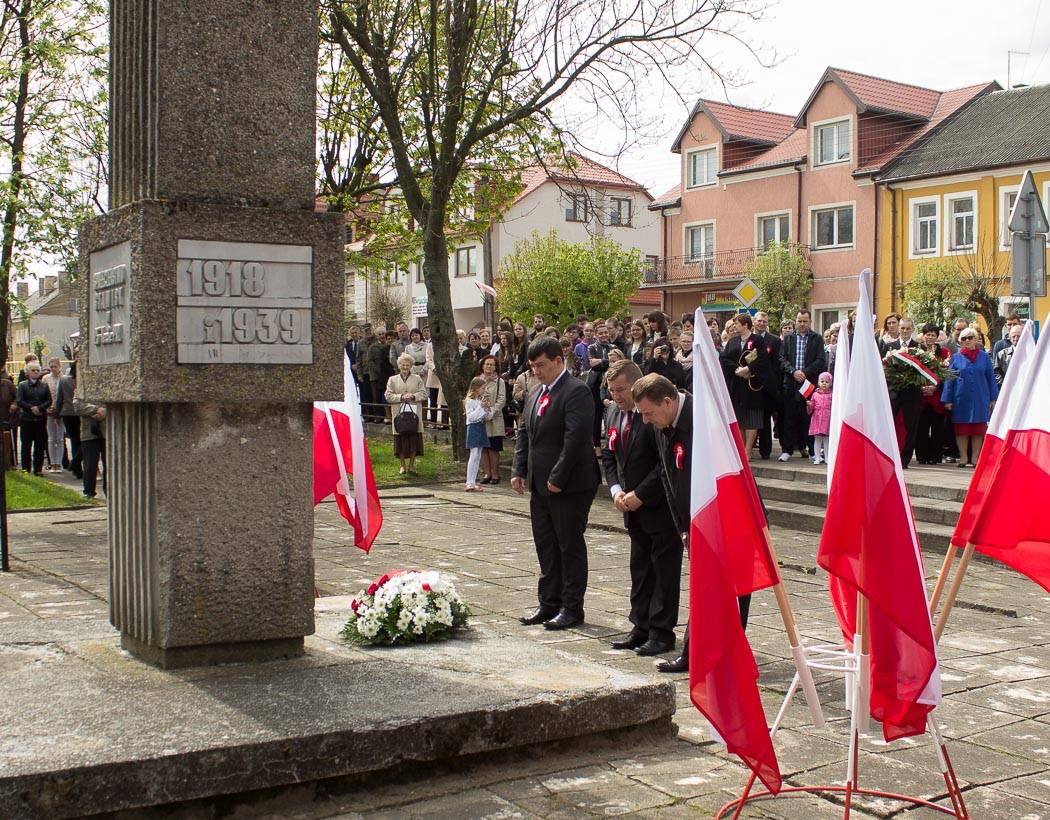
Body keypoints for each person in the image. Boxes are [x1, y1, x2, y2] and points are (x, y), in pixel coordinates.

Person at [632, 374, 751, 674]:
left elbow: (728, 473)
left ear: (668, 402)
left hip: (730, 517)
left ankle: (725, 654)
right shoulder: (663, 425)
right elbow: (668, 479)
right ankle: (695, 653)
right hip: (695, 521)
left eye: (648, 413)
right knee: (703, 589)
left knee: (734, 591)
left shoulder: (704, 419)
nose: (645, 421)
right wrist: (682, 526)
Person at [511, 336, 600, 631]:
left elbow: (575, 438)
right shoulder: (536, 392)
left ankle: (572, 607)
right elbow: (524, 432)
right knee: (545, 545)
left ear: (558, 361)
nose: (536, 371)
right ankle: (548, 602)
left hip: (570, 484)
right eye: (532, 366)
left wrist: (558, 477)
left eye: (541, 365)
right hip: (540, 483)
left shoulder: (577, 391)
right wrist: (519, 468)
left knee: (568, 545)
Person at [602, 360, 682, 658]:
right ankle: (641, 626)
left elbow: (665, 462)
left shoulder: (652, 416)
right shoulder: (612, 411)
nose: (617, 395)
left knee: (663, 572)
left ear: (635, 385)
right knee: (640, 569)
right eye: (612, 390)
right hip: (629, 505)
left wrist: (641, 494)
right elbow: (610, 454)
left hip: (659, 505)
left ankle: (662, 633)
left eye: (621, 389)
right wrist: (616, 489)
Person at [720, 313, 777, 457]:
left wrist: (749, 369)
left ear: (745, 325)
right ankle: (741, 448)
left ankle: (748, 448)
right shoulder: (733, 341)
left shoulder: (756, 340)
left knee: (752, 417)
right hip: (737, 384)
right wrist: (737, 369)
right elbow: (724, 358)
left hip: (752, 385)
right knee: (739, 417)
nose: (734, 327)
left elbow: (763, 359)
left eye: (737, 324)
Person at [942, 328, 998, 469]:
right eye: (964, 338)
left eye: (970, 337)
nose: (967, 340)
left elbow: (991, 378)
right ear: (960, 341)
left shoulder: (984, 356)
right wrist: (947, 399)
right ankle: (963, 457)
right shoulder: (956, 357)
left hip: (980, 396)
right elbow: (950, 379)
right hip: (961, 397)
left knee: (978, 428)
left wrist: (993, 398)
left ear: (976, 339)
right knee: (962, 428)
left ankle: (975, 458)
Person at [777, 310, 826, 461]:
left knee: (808, 416)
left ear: (810, 321)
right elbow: (781, 358)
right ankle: (787, 450)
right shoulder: (789, 338)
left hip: (808, 383)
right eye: (799, 321)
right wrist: (793, 371)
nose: (802, 324)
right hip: (791, 382)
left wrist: (804, 372)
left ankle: (812, 451)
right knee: (788, 416)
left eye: (805, 321)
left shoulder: (816, 338)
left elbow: (820, 360)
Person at [914, 324, 953, 465]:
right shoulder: (916, 352)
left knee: (938, 427)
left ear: (937, 337)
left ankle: (935, 456)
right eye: (927, 334)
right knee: (922, 427)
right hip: (922, 395)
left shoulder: (944, 353)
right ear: (923, 336)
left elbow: (947, 373)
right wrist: (922, 387)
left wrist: (935, 386)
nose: (930, 337)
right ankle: (922, 456)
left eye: (933, 335)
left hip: (937, 394)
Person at [385, 353, 427, 474]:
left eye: (407, 365)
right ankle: (402, 465)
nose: (405, 367)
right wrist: (401, 397)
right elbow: (388, 395)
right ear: (399, 365)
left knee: (413, 439)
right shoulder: (392, 379)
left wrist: (413, 396)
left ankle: (412, 465)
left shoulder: (417, 379)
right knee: (401, 439)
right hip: (399, 413)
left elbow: (424, 393)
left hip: (414, 413)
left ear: (411, 366)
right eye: (403, 365)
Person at [754, 311, 781, 460]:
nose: (762, 324)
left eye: (764, 321)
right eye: (759, 321)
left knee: (765, 418)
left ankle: (765, 450)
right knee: (751, 418)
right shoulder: (748, 339)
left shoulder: (774, 341)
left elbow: (776, 365)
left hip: (767, 386)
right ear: (754, 322)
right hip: (750, 384)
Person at [16, 362, 50, 475]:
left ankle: (38, 469)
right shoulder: (22, 385)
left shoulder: (44, 385)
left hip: (40, 419)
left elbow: (49, 400)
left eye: (37, 370)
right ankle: (26, 468)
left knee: (40, 445)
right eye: (33, 370)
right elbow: (20, 400)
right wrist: (31, 408)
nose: (36, 372)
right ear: (27, 372)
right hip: (27, 419)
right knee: (26, 444)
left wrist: (40, 408)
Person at [477, 355, 507, 484]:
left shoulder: (499, 381)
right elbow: (472, 396)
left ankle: (495, 474)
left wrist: (492, 411)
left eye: (491, 365)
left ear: (495, 367)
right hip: (480, 418)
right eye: (486, 364)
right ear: (482, 365)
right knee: (483, 448)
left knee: (493, 448)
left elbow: (502, 399)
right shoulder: (477, 380)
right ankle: (486, 473)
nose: (488, 367)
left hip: (495, 418)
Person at [464, 376, 491, 492]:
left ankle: (473, 482)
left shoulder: (480, 401)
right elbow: (471, 417)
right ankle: (468, 482)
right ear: (476, 388)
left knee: (479, 455)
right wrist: (480, 407)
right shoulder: (469, 401)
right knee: (474, 454)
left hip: (481, 427)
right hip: (473, 427)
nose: (484, 390)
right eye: (482, 388)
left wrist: (488, 409)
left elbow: (488, 417)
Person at [75, 397, 106, 498]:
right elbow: (77, 405)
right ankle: (88, 491)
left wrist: (104, 412)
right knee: (90, 464)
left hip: (108, 432)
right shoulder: (82, 386)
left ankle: (110, 491)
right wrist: (96, 409)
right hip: (89, 432)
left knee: (110, 465)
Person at [42, 357, 66, 472]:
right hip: (49, 411)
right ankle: (53, 463)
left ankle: (59, 463)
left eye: (55, 366)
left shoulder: (64, 378)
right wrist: (47, 406)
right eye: (51, 367)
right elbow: (43, 394)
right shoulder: (46, 378)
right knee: (51, 438)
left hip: (61, 412)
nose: (53, 369)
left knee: (60, 438)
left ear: (59, 366)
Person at [368, 330, 397, 421]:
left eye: (392, 339)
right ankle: (388, 416)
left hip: (396, 374)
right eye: (388, 339)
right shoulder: (382, 350)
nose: (390, 340)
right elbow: (380, 363)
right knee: (385, 395)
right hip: (385, 375)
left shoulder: (398, 347)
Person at [807, 372, 833, 464]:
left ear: (830, 383)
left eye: (826, 381)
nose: (824, 383)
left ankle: (827, 458)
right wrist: (809, 405)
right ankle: (817, 457)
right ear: (819, 382)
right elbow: (811, 408)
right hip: (817, 419)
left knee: (826, 440)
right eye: (822, 381)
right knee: (817, 439)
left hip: (827, 419)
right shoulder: (815, 394)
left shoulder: (832, 395)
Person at [0, 368, 17, 469]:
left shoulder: (7, 384)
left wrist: (14, 405)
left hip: (7, 416)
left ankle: (10, 463)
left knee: (8, 439)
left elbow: (17, 397)